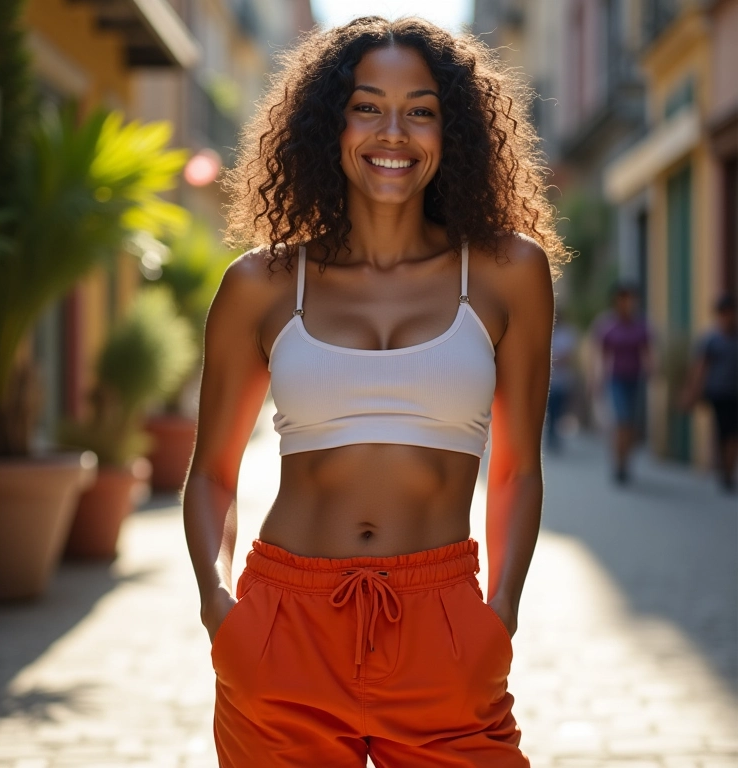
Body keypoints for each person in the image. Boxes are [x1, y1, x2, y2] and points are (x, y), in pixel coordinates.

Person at [183, 16, 565, 767]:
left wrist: (500, 617)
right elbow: (212, 475)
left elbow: (519, 467)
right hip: (282, 628)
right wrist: (219, 608)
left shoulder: (507, 272)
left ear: (451, 131)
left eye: (420, 110)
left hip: (443, 624)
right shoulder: (260, 284)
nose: (394, 132)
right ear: (330, 123)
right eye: (367, 106)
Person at [592, 282, 652, 484]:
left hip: (635, 379)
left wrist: (652, 369)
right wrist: (596, 380)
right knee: (621, 420)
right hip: (615, 379)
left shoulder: (640, 326)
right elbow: (600, 356)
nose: (628, 303)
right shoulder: (607, 326)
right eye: (624, 298)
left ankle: (625, 461)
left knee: (631, 423)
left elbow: (647, 352)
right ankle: (618, 463)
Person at [680, 295, 738, 491]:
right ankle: (725, 471)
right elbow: (700, 368)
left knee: (732, 434)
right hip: (719, 394)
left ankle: (728, 471)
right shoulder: (711, 340)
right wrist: (692, 393)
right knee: (724, 432)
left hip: (735, 393)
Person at [545, 309, 579, 452]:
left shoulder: (567, 334)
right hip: (548, 382)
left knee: (559, 410)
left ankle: (555, 435)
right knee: (550, 409)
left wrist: (554, 359)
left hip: (562, 381)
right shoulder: (546, 331)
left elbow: (568, 356)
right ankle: (550, 436)